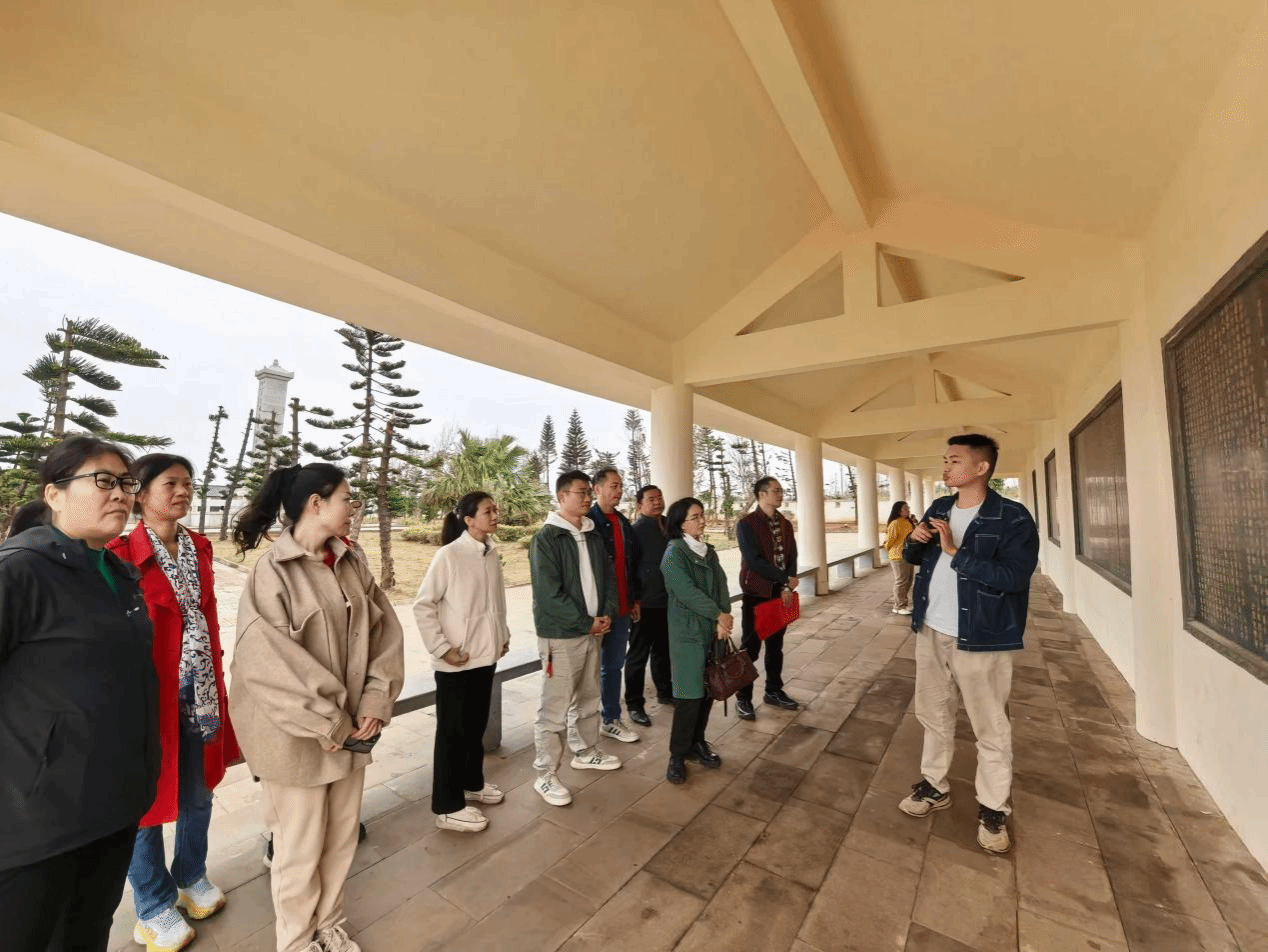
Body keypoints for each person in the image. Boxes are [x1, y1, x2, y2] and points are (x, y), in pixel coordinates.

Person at [230, 463, 404, 952]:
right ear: (316, 503)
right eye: (347, 498)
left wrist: (375, 701)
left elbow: (385, 633)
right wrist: (332, 721)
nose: (353, 507)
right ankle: (297, 940)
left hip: (352, 730)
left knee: (341, 837)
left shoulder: (349, 562)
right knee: (298, 847)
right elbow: (267, 664)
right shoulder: (271, 573)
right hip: (296, 736)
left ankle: (329, 924)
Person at [0, 435, 160, 952]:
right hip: (36, 823)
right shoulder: (19, 570)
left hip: (113, 806)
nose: (121, 494)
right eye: (103, 480)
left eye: (126, 483)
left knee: (87, 934)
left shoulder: (117, 572)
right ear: (54, 494)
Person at [107, 455, 240, 952]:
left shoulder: (199, 546)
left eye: (188, 483)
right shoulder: (119, 553)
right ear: (140, 493)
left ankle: (190, 875)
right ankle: (152, 905)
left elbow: (206, 616)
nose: (183, 491)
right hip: (147, 700)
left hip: (200, 693)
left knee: (198, 792)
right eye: (171, 483)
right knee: (145, 804)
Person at [898, 434, 1039, 855]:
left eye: (955, 460)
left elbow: (1014, 578)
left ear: (981, 468)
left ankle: (993, 808)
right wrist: (915, 540)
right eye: (945, 459)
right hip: (931, 630)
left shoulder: (1012, 517)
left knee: (990, 726)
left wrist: (954, 551)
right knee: (933, 714)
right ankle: (934, 785)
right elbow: (912, 558)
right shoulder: (940, 507)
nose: (946, 467)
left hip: (981, 635)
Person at [412, 492, 511, 834]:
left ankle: (472, 784)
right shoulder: (449, 555)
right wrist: (442, 648)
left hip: (485, 656)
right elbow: (423, 605)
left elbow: (496, 601)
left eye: (495, 509)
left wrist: (502, 634)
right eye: (488, 511)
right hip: (456, 662)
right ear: (469, 520)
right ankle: (448, 806)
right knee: (452, 735)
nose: (495, 515)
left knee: (475, 728)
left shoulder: (490, 552)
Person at [529, 470, 621, 808]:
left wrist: (606, 613)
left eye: (588, 492)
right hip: (562, 635)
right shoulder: (547, 538)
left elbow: (608, 579)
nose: (587, 498)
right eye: (580, 492)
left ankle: (585, 751)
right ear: (561, 496)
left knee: (588, 697)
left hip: (593, 631)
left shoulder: (592, 534)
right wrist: (586, 622)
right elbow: (548, 594)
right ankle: (545, 773)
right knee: (554, 707)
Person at [659, 498, 731, 784]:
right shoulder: (674, 553)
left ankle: (697, 742)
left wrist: (724, 617)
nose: (702, 520)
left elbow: (721, 584)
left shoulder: (708, 552)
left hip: (712, 630)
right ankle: (677, 754)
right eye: (695, 516)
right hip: (687, 632)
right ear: (680, 524)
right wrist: (718, 614)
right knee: (689, 696)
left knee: (708, 689)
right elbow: (686, 592)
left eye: (702, 515)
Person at [734, 476, 799, 720]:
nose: (780, 495)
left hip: (780, 593)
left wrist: (788, 582)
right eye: (776, 491)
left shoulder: (785, 523)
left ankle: (773, 691)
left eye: (781, 491)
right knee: (750, 649)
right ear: (762, 494)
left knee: (775, 646)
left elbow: (792, 554)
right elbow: (754, 561)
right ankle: (743, 697)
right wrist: (784, 578)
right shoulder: (747, 524)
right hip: (756, 593)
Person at [588, 467, 642, 744]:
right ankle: (582, 725)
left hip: (621, 609)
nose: (619, 491)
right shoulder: (588, 522)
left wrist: (633, 599)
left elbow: (631, 565)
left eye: (620, 486)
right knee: (587, 670)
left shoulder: (622, 522)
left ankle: (610, 719)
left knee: (613, 666)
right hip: (596, 611)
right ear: (597, 489)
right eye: (613, 486)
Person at [625, 485, 674, 726]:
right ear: (639, 505)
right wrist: (634, 599)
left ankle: (665, 692)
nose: (657, 502)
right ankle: (635, 705)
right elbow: (629, 568)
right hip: (644, 603)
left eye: (659, 497)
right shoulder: (635, 531)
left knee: (663, 651)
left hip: (668, 601)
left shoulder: (669, 526)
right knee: (638, 656)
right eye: (651, 499)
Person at [884, 500, 915, 616]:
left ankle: (903, 604)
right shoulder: (895, 523)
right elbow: (889, 541)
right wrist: (890, 550)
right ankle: (898, 606)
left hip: (908, 554)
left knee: (908, 580)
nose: (908, 510)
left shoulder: (908, 522)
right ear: (899, 511)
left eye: (908, 507)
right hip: (898, 556)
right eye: (905, 508)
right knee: (901, 581)